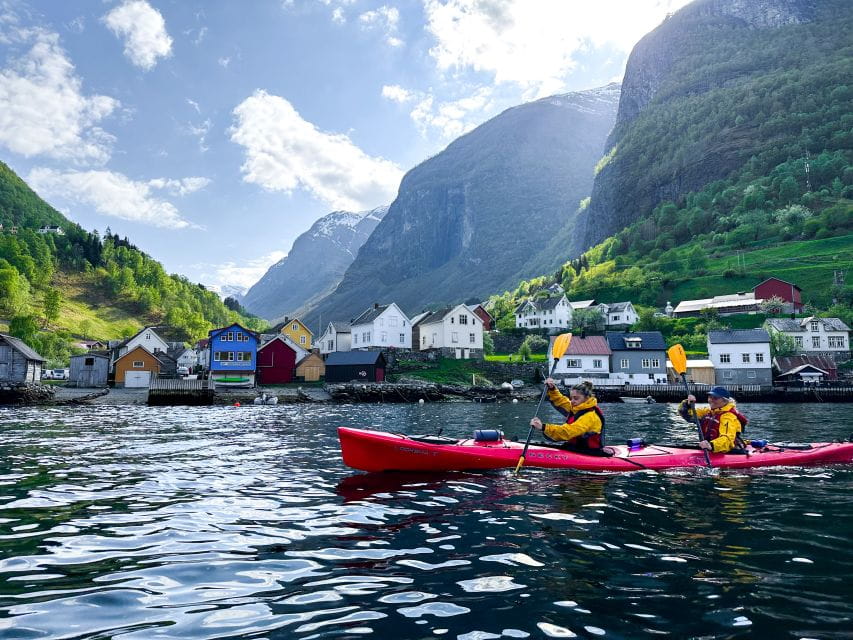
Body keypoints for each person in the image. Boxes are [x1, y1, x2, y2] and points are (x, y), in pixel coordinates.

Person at [529, 379, 605, 451]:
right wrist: (552, 388)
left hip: (588, 451)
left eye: (576, 398)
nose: (572, 401)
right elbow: (561, 401)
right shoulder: (577, 407)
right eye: (571, 398)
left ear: (587, 398)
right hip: (576, 447)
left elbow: (568, 432)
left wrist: (543, 427)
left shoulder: (590, 416)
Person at [678, 386, 748, 453]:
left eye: (715, 398)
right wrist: (688, 404)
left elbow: (727, 439)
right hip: (708, 448)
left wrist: (711, 445)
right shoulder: (708, 411)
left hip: (727, 450)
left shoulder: (729, 417)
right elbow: (686, 414)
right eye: (709, 397)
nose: (710, 400)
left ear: (724, 401)